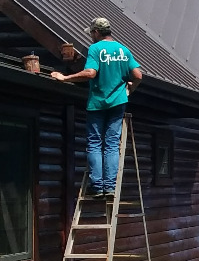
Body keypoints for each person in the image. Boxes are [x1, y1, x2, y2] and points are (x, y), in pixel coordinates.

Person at [51, 17, 143, 197]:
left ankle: (97, 186)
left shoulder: (96, 49)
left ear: (97, 32)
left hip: (98, 103)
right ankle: (109, 186)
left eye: (91, 33)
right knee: (111, 144)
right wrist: (130, 88)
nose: (91, 36)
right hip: (118, 102)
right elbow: (138, 75)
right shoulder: (123, 50)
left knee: (94, 143)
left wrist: (65, 78)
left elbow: (91, 73)